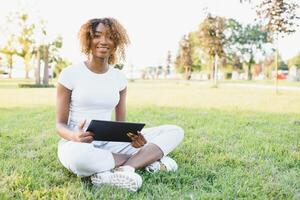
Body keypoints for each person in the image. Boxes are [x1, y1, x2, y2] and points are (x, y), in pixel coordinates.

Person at [56, 18, 184, 192]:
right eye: (97, 36)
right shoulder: (70, 74)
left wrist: (134, 140)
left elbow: (121, 127)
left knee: (175, 131)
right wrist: (74, 136)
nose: (103, 41)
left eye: (110, 37)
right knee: (78, 159)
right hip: (78, 145)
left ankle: (125, 168)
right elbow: (59, 124)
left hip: (110, 143)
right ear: (88, 40)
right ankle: (145, 161)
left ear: (116, 42)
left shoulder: (119, 78)